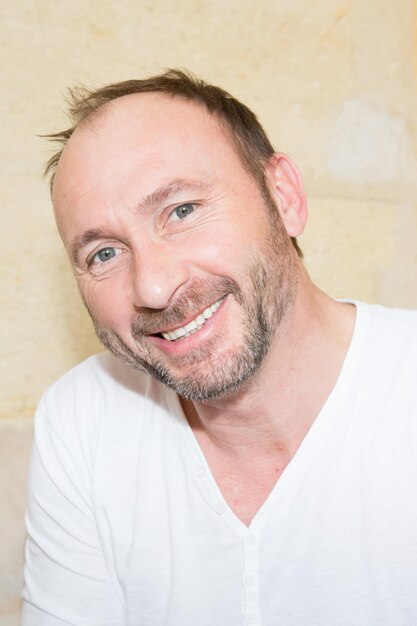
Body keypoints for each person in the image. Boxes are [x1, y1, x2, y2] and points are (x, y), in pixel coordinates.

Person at [23, 69, 417, 626]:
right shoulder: (83, 421)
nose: (153, 287)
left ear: (284, 197)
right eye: (104, 254)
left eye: (181, 211)